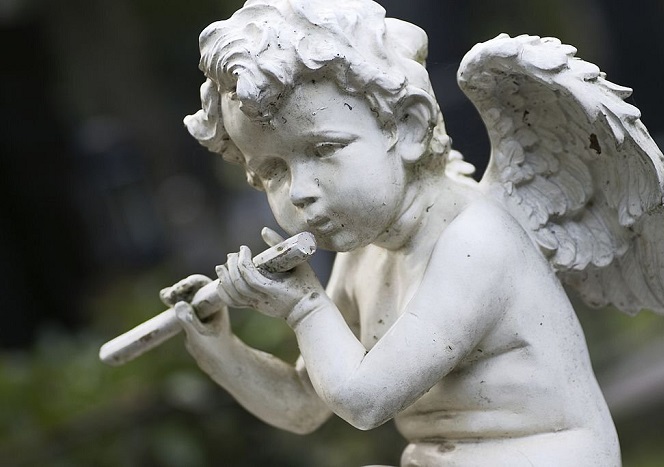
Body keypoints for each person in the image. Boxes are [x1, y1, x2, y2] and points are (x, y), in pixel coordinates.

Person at [160, 0, 622, 464]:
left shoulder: (476, 240)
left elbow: (365, 401)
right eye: (272, 173)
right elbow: (304, 404)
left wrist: (304, 308)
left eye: (324, 149)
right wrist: (218, 346)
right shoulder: (366, 252)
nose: (300, 191)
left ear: (409, 127)